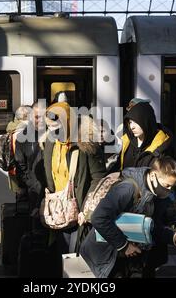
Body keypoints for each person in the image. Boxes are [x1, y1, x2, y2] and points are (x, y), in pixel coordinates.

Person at [80, 156, 176, 278]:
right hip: (102, 259)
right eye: (166, 186)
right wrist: (124, 245)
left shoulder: (154, 193)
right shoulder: (128, 189)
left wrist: (172, 236)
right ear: (152, 176)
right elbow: (99, 218)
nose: (169, 191)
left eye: (172, 187)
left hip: (124, 259)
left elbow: (149, 225)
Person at [43, 102, 106, 253]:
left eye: (57, 128)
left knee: (73, 254)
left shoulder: (87, 144)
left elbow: (99, 178)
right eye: (49, 127)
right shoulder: (51, 141)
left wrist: (87, 209)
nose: (53, 132)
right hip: (57, 209)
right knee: (60, 253)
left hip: (79, 212)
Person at [15, 102, 47, 226]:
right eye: (37, 117)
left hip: (55, 189)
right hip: (35, 190)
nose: (41, 120)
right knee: (37, 228)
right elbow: (21, 167)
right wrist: (33, 184)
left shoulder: (55, 134)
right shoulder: (22, 138)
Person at [117, 102, 173, 171]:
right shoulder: (127, 142)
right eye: (130, 122)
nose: (132, 127)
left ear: (146, 121)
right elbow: (118, 166)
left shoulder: (162, 147)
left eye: (136, 122)